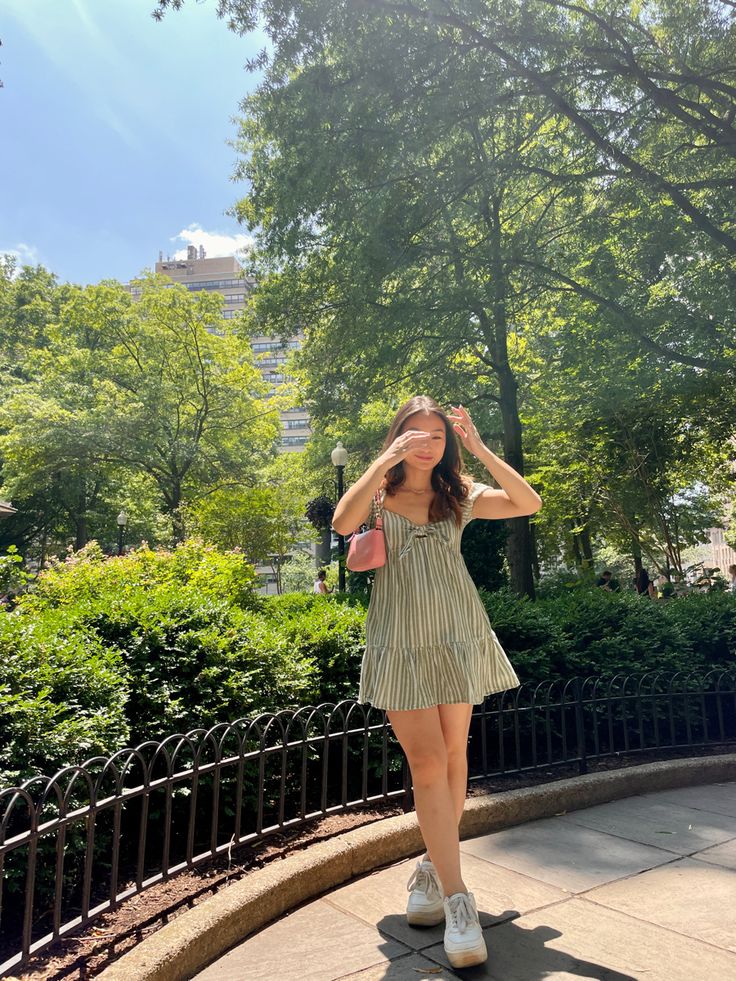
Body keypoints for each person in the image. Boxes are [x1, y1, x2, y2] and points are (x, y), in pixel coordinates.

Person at [332, 395, 542, 968]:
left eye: (437, 435)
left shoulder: (457, 494)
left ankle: (430, 868)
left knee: (454, 755)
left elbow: (527, 501)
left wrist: (478, 448)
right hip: (401, 639)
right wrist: (382, 462)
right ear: (399, 437)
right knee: (427, 763)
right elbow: (342, 522)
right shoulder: (378, 492)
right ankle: (457, 899)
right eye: (415, 434)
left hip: (457, 629)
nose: (428, 443)